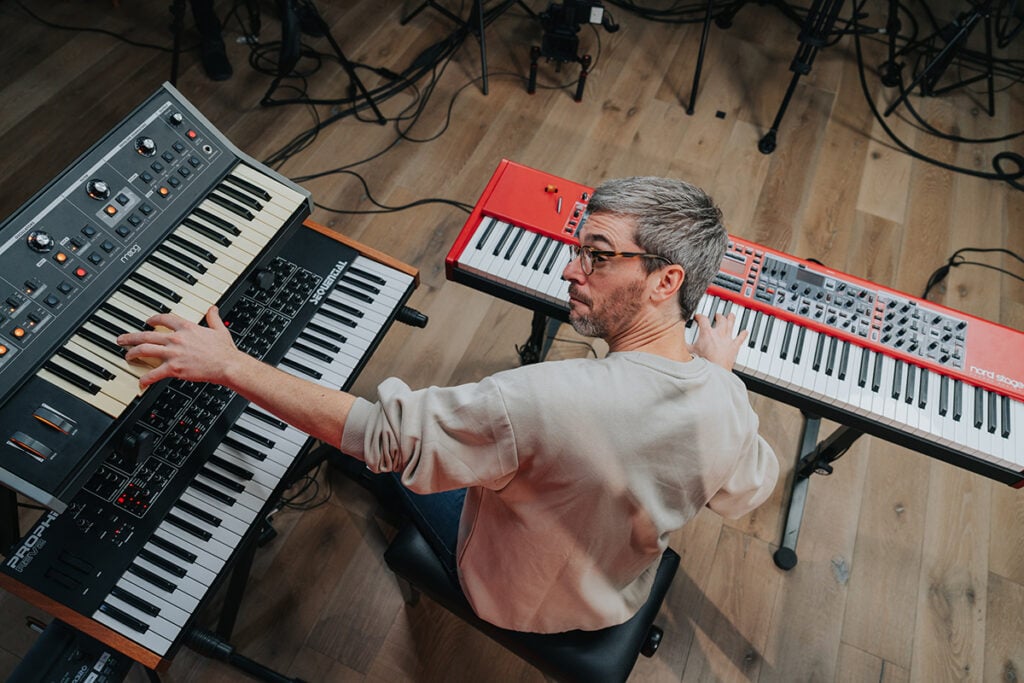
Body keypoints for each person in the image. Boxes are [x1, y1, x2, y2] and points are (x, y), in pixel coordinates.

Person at [116, 176, 779, 634]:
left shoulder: (541, 396)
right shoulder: (725, 398)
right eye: (579, 249)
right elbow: (747, 488)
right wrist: (721, 377)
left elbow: (379, 432)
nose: (570, 271)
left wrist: (228, 363)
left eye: (598, 257)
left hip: (514, 596)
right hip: (617, 596)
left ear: (667, 281)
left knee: (362, 460)